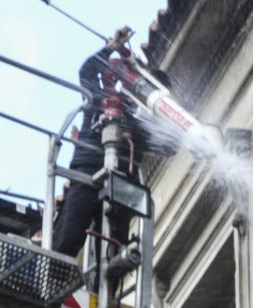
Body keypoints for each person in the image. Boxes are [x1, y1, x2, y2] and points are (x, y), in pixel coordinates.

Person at [53, 28, 173, 265]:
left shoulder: (142, 126)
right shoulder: (101, 99)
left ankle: (106, 297)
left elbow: (171, 145)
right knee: (68, 239)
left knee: (113, 255)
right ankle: (52, 280)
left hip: (122, 186)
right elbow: (87, 71)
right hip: (87, 174)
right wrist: (112, 47)